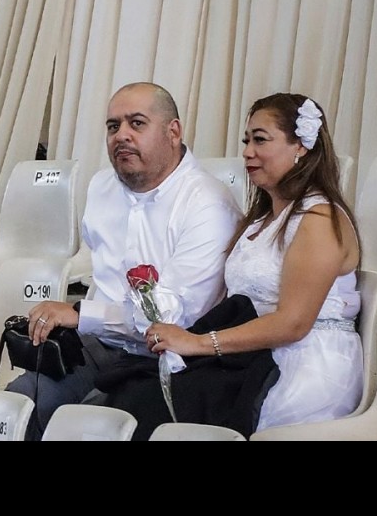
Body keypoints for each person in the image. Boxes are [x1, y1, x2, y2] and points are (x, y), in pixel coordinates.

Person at [5, 81, 243, 440]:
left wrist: (82, 315)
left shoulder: (208, 204)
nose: (121, 135)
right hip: (100, 347)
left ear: (173, 132)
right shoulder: (102, 187)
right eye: (113, 126)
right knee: (18, 405)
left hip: (168, 362)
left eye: (137, 123)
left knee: (90, 425)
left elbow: (174, 320)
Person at [142, 92, 363, 434]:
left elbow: (293, 324)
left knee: (160, 407)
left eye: (260, 140)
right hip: (252, 356)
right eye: (246, 141)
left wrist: (198, 343)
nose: (247, 152)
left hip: (303, 365)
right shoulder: (260, 221)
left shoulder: (319, 218)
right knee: (139, 393)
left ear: (300, 146)